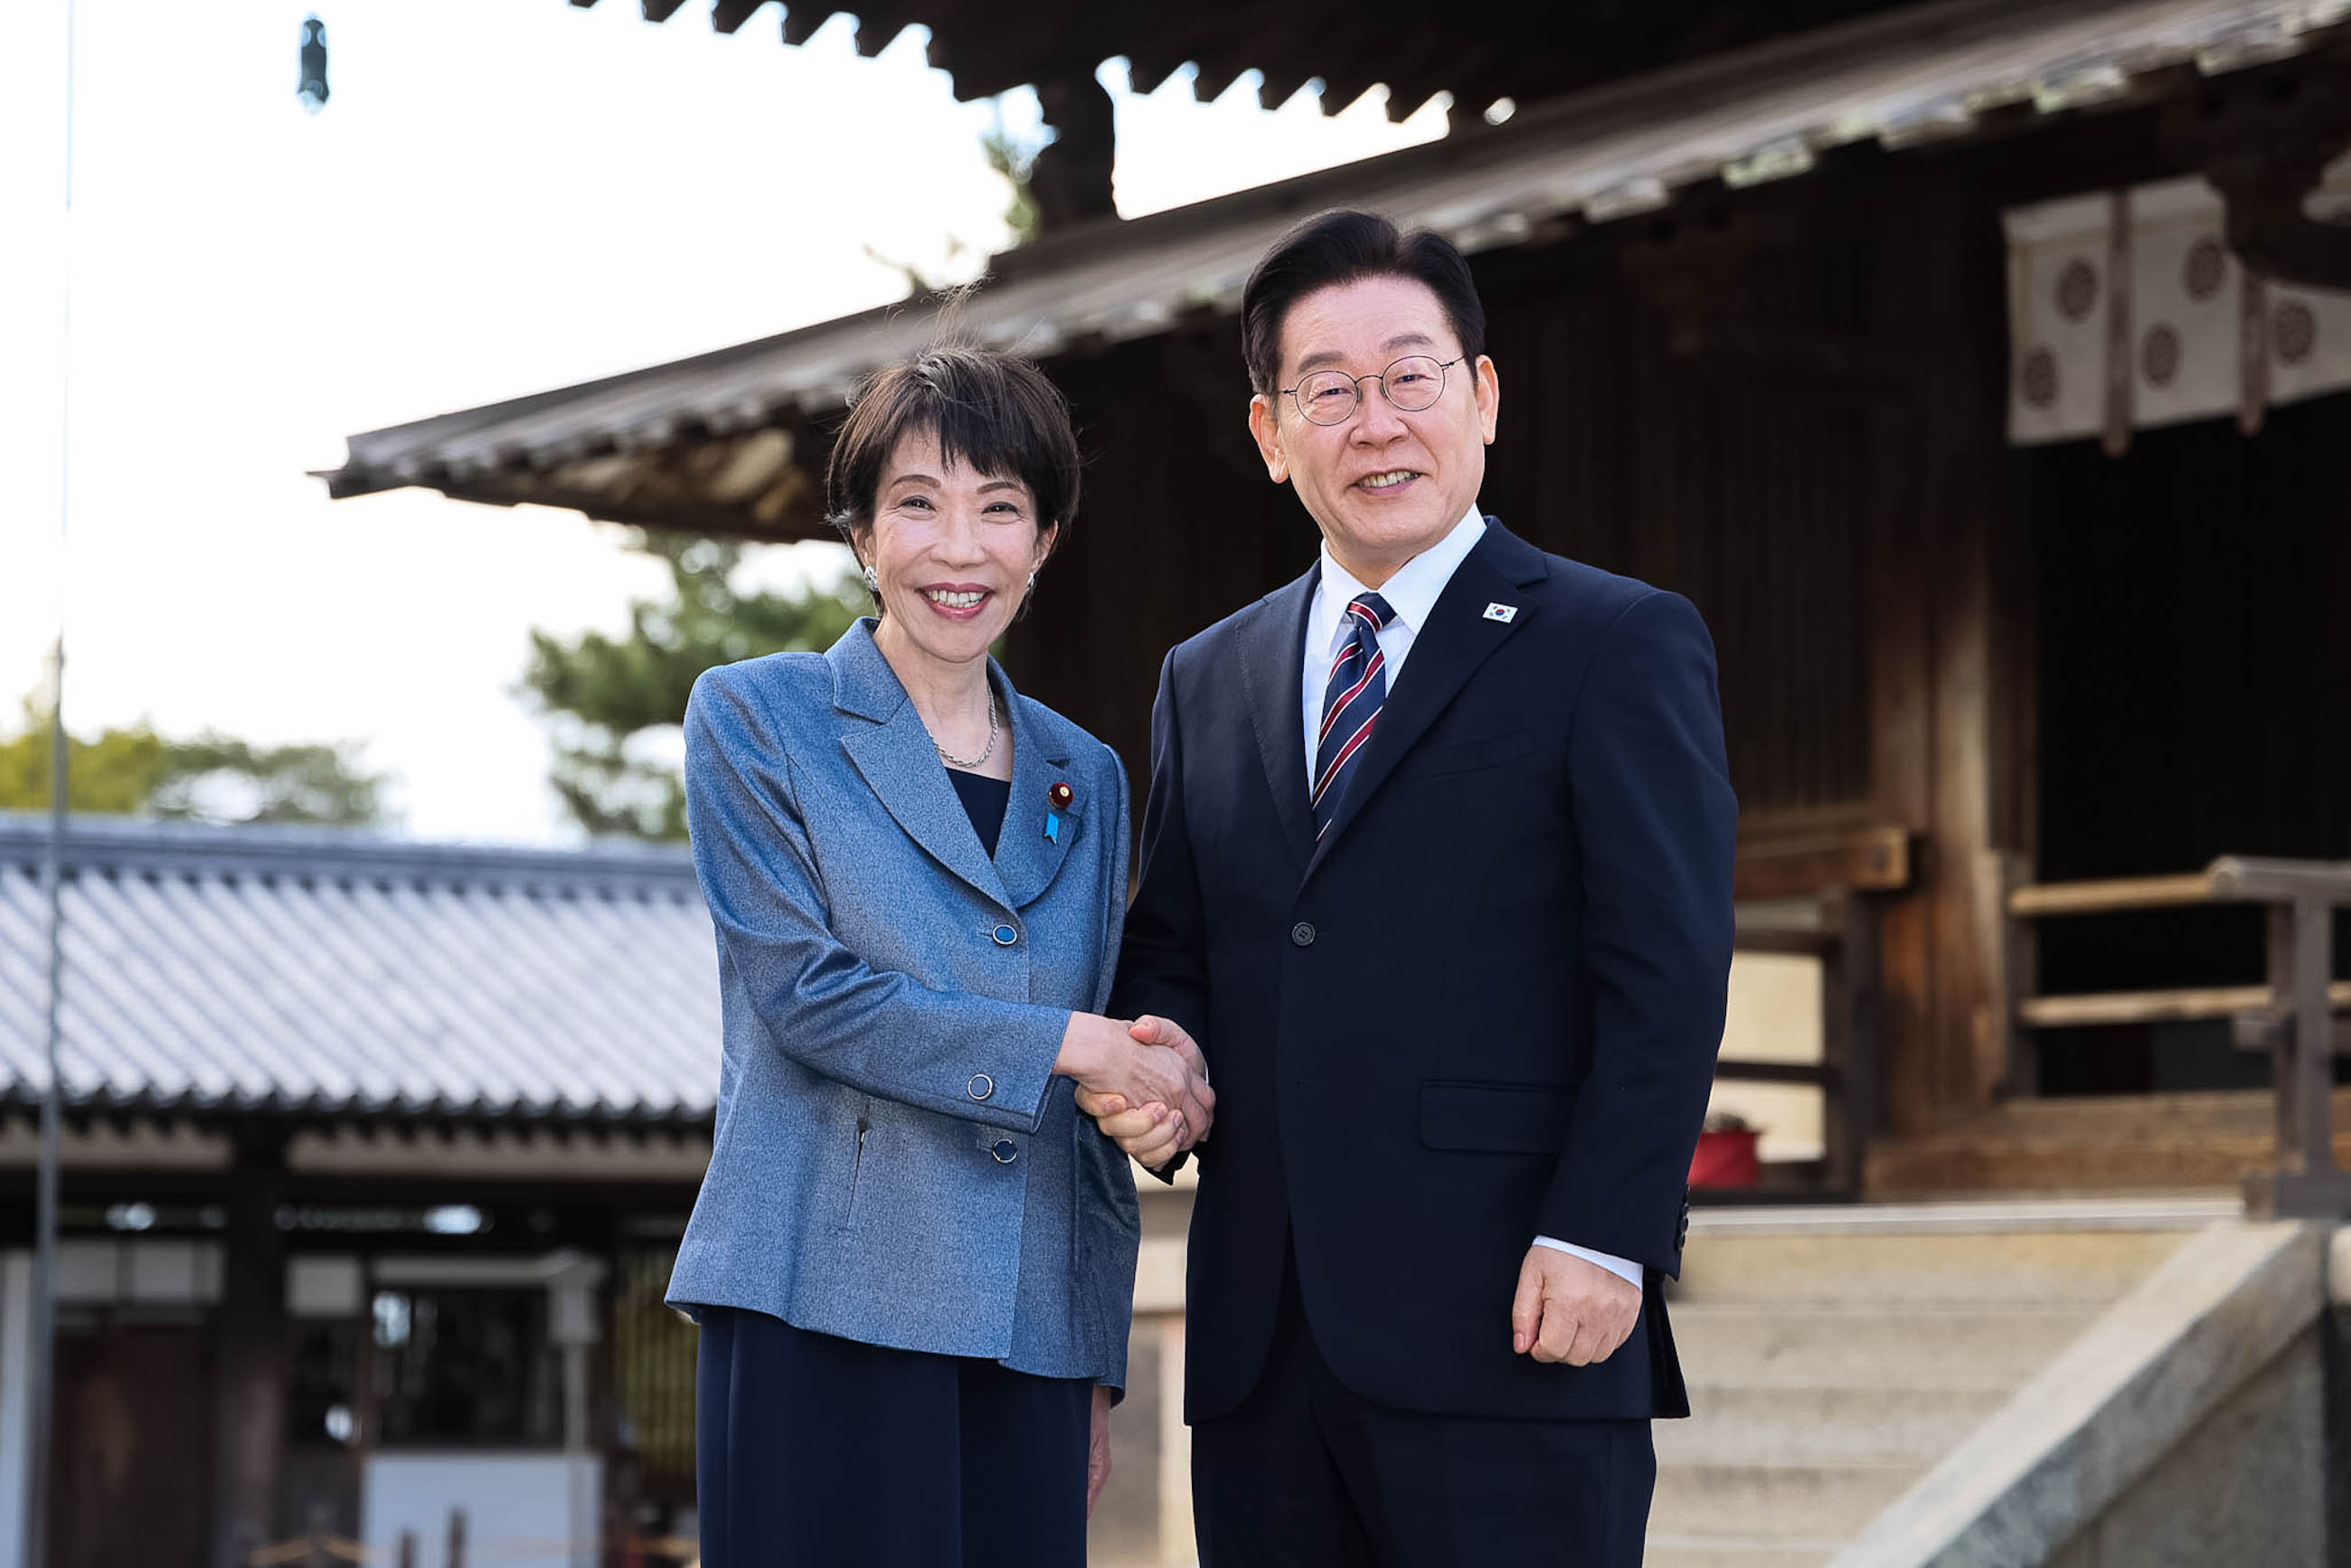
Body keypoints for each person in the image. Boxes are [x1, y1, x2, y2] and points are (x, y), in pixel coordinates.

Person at [1090, 211, 1737, 1564]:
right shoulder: (1206, 677)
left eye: (1411, 375)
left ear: (1483, 396)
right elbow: (1178, 945)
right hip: (1267, 1344)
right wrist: (1159, 1061)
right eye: (1329, 388)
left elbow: (1665, 966)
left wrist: (1608, 1232)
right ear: (1271, 433)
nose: (1375, 421)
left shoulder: (1615, 640)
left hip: (1516, 1313)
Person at [666, 345, 1214, 1568]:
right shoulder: (759, 717)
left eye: (1000, 509)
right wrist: (1074, 1045)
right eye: (918, 503)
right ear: (862, 532)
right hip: (820, 1298)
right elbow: (808, 995)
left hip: (1026, 1333)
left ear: (1046, 540)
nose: (958, 550)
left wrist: (1091, 1359)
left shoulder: (1089, 769)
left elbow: (1084, 1108)